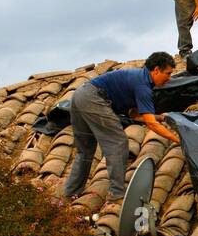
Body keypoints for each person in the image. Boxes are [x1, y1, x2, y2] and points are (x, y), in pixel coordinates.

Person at [62, 52, 179, 206]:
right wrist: (177, 139)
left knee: (85, 150)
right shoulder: (143, 85)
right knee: (118, 142)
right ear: (156, 70)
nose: (169, 78)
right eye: (168, 73)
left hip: (79, 96)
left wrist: (159, 117)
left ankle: (71, 193)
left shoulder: (139, 78)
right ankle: (116, 193)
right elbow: (151, 124)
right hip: (93, 99)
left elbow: (134, 114)